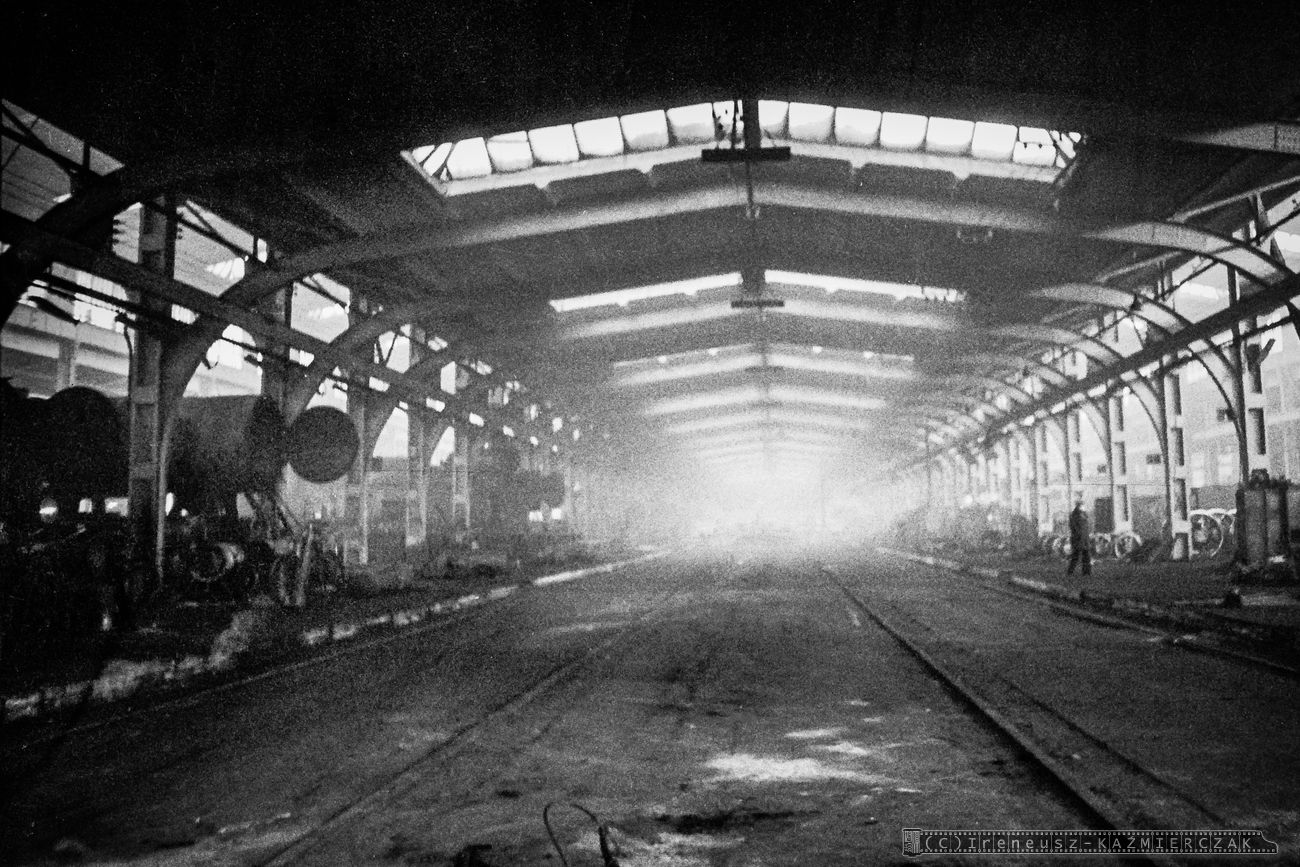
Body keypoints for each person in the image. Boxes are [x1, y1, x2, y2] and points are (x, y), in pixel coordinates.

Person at [1067, 501, 1091, 577]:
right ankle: (1070, 572)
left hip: (1085, 539)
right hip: (1078, 539)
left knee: (1086, 556)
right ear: (1079, 506)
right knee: (1075, 557)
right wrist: (1079, 536)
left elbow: (1086, 527)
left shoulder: (1084, 514)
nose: (1084, 507)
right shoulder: (1074, 515)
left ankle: (1086, 573)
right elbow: (1074, 528)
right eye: (1082, 505)